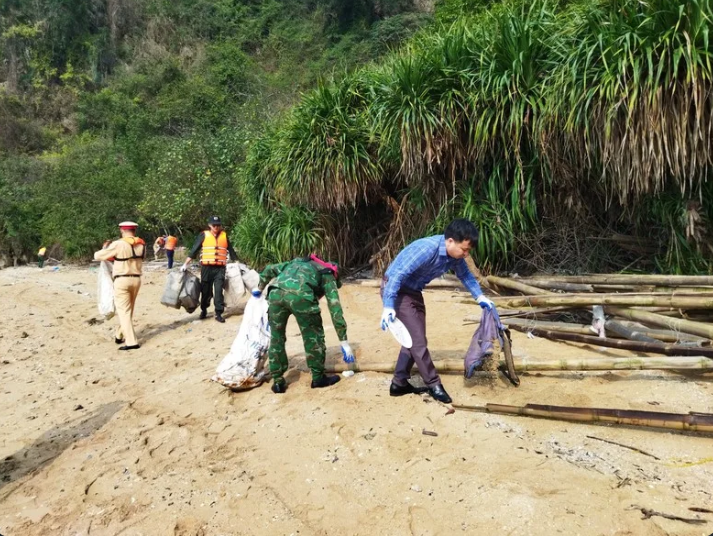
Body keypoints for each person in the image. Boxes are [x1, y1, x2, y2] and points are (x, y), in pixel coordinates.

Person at [380, 219, 494, 404]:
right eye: (464, 249)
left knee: (414, 340)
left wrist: (479, 297)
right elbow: (397, 274)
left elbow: (465, 275)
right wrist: (388, 305)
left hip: (414, 292)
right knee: (418, 342)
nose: (465, 254)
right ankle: (434, 384)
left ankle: (399, 383)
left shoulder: (454, 257)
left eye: (468, 251)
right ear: (450, 241)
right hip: (396, 290)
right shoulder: (427, 249)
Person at [252, 254, 356, 393]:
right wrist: (343, 341)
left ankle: (278, 381)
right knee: (313, 336)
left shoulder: (296, 263)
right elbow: (335, 309)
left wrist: (259, 288)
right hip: (302, 296)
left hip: (275, 293)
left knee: (277, 338)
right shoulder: (328, 273)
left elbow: (269, 269)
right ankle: (318, 378)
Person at [94, 221, 146, 351]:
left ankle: (131, 342)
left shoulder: (118, 244)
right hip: (137, 279)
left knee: (124, 311)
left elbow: (98, 256)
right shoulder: (142, 244)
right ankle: (119, 334)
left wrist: (105, 248)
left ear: (122, 230)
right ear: (134, 231)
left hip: (122, 280)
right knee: (129, 309)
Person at [180, 216, 237, 323]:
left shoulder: (224, 236)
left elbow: (231, 251)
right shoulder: (203, 235)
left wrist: (237, 263)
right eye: (214, 225)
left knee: (219, 290)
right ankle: (204, 309)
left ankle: (219, 313)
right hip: (207, 268)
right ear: (209, 225)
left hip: (220, 268)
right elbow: (194, 250)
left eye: (218, 225)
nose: (216, 227)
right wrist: (185, 264)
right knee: (206, 291)